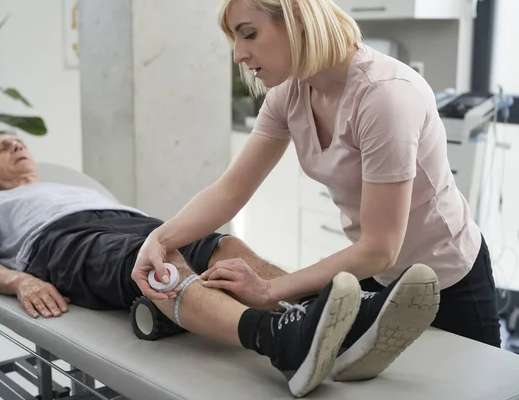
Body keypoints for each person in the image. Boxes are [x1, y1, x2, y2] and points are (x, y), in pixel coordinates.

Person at [0, 130, 437, 397]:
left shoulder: (76, 184)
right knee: (158, 267)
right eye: (4, 147)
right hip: (62, 240)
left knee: (221, 247)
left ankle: (333, 310)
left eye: (19, 141)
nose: (18, 145)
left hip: (129, 221)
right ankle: (279, 340)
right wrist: (19, 280)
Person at [133, 0, 501, 350]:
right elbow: (230, 191)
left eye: (248, 34)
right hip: (380, 275)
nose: (238, 55)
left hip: (450, 282)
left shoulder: (383, 98)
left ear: (296, 17)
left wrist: (269, 291)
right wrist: (159, 240)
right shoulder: (291, 94)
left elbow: (379, 247)